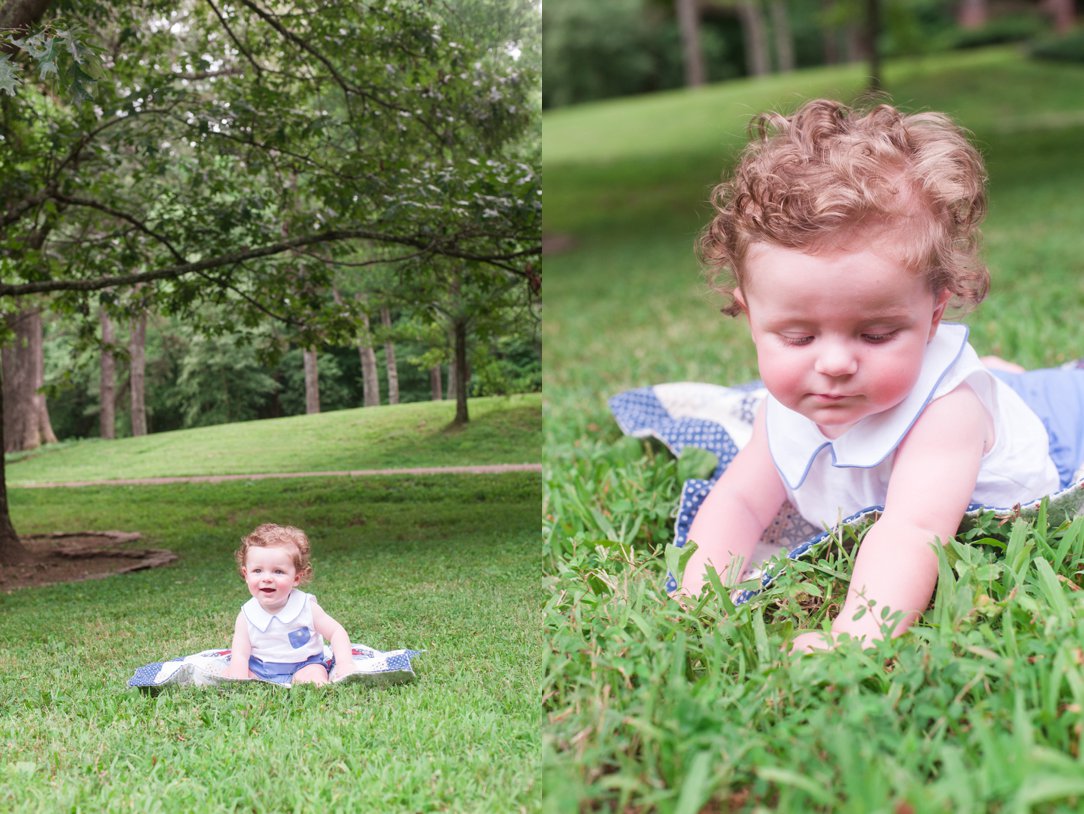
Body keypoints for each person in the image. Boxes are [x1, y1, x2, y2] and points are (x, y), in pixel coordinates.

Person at [681, 98, 1081, 652]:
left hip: (1042, 444)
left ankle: (1005, 382)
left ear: (933, 316)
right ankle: (1004, 375)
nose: (835, 363)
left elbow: (912, 530)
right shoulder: (783, 408)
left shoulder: (945, 416)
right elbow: (740, 502)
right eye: (798, 337)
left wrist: (858, 639)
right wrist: (696, 598)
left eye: (874, 335)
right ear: (750, 317)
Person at [224, 523, 356, 683]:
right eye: (257, 571)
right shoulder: (247, 615)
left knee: (314, 678)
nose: (267, 578)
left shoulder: (306, 607)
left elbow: (336, 632)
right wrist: (239, 677)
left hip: (304, 664)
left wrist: (344, 663)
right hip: (260, 668)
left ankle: (311, 678)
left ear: (296, 578)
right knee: (228, 674)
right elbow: (240, 653)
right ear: (246, 574)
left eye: (278, 571)